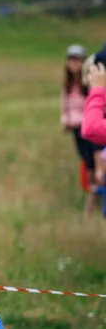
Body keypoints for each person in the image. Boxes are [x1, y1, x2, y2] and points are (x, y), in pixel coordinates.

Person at [60, 44, 102, 217]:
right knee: (88, 166)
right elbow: (65, 106)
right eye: (71, 60)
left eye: (77, 60)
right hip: (78, 130)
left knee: (97, 164)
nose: (74, 64)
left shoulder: (90, 86)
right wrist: (65, 121)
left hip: (93, 129)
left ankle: (94, 203)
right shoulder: (68, 86)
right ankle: (92, 202)